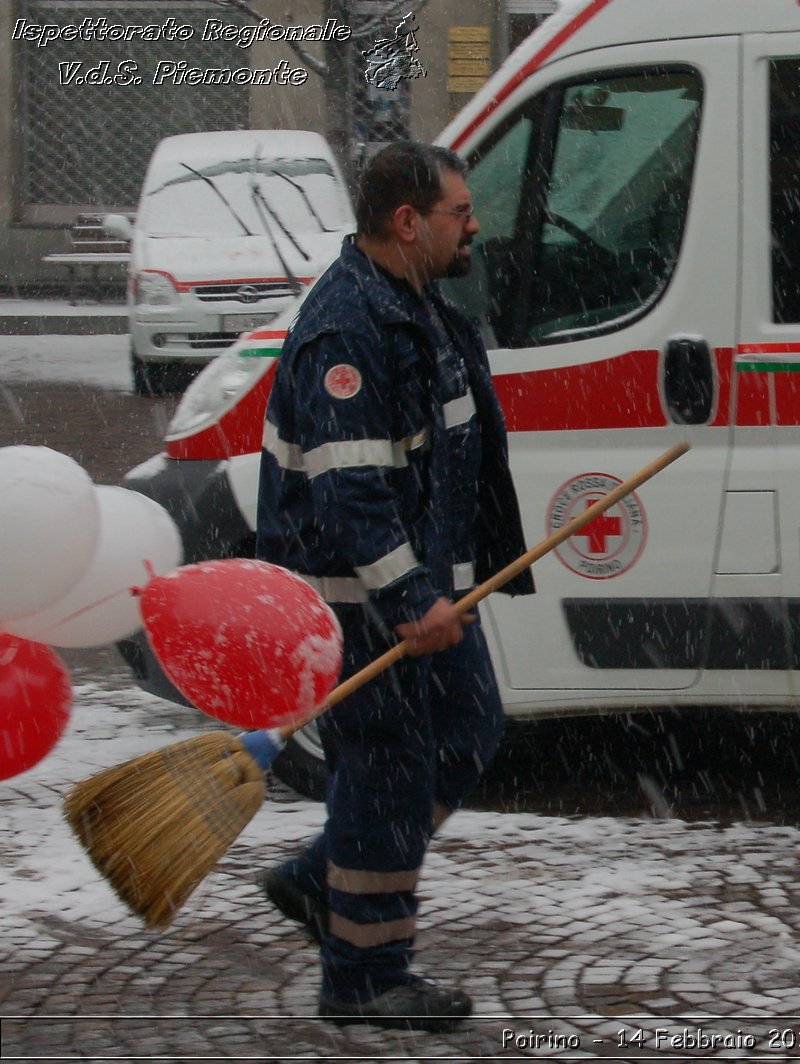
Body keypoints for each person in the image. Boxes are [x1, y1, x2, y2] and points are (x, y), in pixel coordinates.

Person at [253, 141, 533, 1032]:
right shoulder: (349, 330)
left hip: (419, 586)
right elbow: (351, 494)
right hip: (356, 598)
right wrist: (410, 599)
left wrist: (445, 579)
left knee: (468, 728)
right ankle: (366, 973)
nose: (475, 224)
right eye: (460, 211)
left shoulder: (416, 304)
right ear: (408, 222)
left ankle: (320, 879)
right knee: (390, 769)